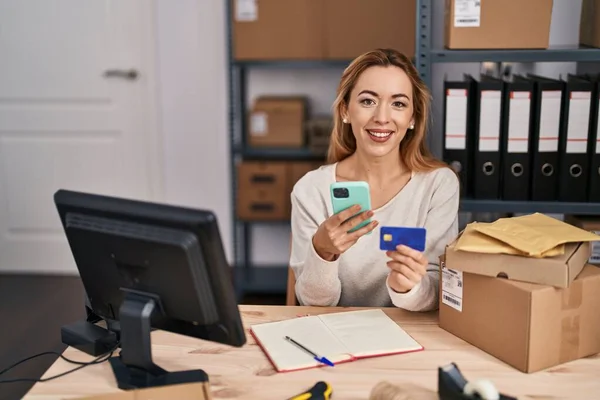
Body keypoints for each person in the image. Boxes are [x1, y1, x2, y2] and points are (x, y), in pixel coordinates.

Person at [289, 48, 460, 311]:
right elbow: (313, 303)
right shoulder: (311, 189)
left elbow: (440, 293)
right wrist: (322, 252)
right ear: (346, 110)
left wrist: (408, 287)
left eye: (399, 103)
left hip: (411, 336)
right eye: (368, 101)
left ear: (413, 118)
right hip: (334, 336)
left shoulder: (438, 185)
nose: (382, 118)